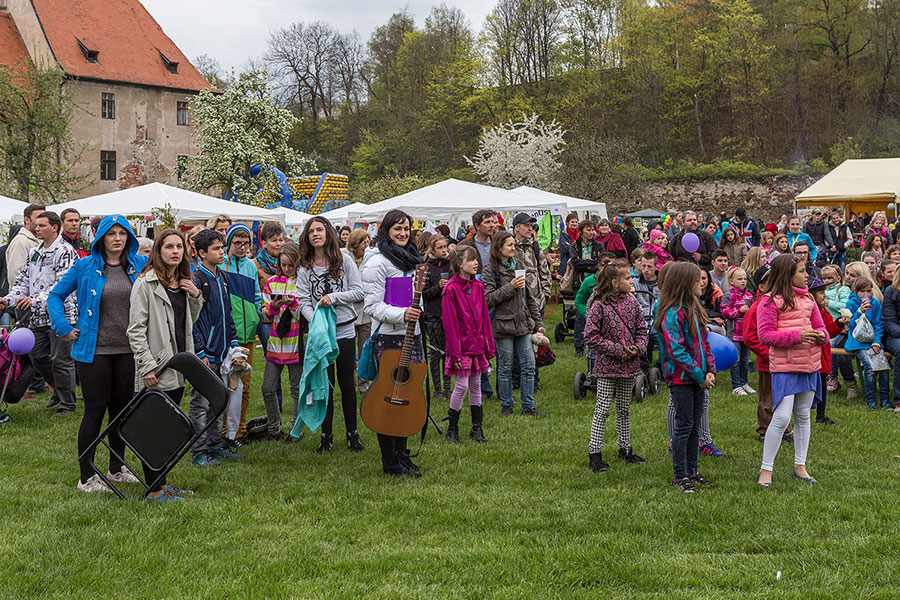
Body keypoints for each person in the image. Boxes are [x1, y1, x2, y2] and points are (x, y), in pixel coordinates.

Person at [48, 215, 149, 494]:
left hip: (129, 350)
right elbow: (55, 295)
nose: (117, 238)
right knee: (95, 411)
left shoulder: (140, 265)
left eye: (123, 233)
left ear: (130, 237)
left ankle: (116, 469)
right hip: (94, 352)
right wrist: (63, 327)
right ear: (100, 238)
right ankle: (86, 476)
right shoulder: (84, 266)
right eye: (111, 233)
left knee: (122, 412)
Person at [126, 229, 202, 501]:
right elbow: (135, 330)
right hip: (156, 368)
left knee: (169, 427)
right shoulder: (144, 284)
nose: (175, 251)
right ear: (158, 251)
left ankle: (163, 483)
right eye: (168, 247)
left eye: (179, 247)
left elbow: (188, 322)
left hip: (179, 365)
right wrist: (147, 366)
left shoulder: (183, 282)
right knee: (153, 429)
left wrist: (195, 296)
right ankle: (154, 490)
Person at [361, 209, 426, 477]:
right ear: (386, 230)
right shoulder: (377, 262)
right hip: (388, 338)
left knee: (408, 395)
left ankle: (402, 454)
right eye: (397, 228)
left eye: (406, 229)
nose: (402, 233)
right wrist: (402, 314)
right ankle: (389, 461)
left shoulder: (411, 259)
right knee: (388, 399)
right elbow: (372, 305)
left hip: (413, 335)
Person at [756, 254, 827, 487]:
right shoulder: (769, 302)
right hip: (785, 367)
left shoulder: (809, 299)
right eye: (802, 271)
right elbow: (765, 336)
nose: (807, 275)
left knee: (803, 414)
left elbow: (822, 330)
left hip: (809, 364)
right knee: (782, 416)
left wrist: (820, 337)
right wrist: (798, 336)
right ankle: (766, 469)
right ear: (787, 275)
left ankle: (800, 466)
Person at [297, 216, 365, 452]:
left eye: (320, 229)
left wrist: (333, 298)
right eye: (311, 231)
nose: (316, 234)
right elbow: (303, 300)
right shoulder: (305, 266)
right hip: (320, 334)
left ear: (328, 232)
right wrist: (314, 320)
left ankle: (352, 434)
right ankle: (326, 436)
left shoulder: (344, 260)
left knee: (347, 383)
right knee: (324, 385)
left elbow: (358, 291)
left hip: (344, 330)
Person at [0, 211, 78, 415]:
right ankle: (59, 391)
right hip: (37, 316)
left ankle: (67, 404)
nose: (37, 228)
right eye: (36, 225)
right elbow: (23, 282)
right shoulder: (35, 250)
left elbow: (62, 284)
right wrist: (8, 300)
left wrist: (35, 300)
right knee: (37, 357)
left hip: (61, 315)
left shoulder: (66, 251)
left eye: (42, 225)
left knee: (61, 360)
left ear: (55, 227)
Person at [656, 261, 716, 493]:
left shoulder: (694, 309)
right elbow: (676, 351)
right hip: (682, 379)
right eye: (696, 280)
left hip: (698, 377)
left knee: (693, 427)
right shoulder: (672, 314)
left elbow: (705, 344)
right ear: (684, 283)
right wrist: (700, 375)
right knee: (683, 426)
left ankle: (693, 471)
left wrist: (709, 369)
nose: (702, 283)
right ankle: (680, 475)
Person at [584, 262, 648, 472]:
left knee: (624, 408)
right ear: (614, 282)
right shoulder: (598, 304)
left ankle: (625, 448)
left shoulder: (632, 302)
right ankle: (595, 453)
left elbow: (641, 328)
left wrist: (637, 348)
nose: (631, 281)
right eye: (627, 278)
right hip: (607, 366)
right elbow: (591, 336)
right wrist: (618, 350)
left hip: (630, 365)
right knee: (602, 409)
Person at [190, 229, 241, 467]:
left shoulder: (222, 277)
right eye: (216, 249)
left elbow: (227, 313)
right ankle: (199, 451)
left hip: (222, 351)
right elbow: (193, 321)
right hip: (205, 354)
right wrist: (200, 352)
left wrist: (233, 342)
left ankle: (215, 445)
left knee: (218, 400)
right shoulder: (197, 280)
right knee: (200, 403)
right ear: (201, 253)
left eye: (222, 248)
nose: (222, 252)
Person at [484, 230, 545, 417]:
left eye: (513, 245)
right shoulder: (490, 271)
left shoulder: (518, 265)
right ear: (499, 248)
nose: (513, 248)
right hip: (503, 325)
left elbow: (529, 297)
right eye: (510, 245)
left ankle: (528, 406)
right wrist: (511, 287)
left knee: (528, 365)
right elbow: (488, 299)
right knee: (505, 367)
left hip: (522, 323)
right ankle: (507, 405)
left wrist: (538, 322)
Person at [441, 245, 495, 444]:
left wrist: (488, 345)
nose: (476, 263)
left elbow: (484, 319)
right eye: (471, 260)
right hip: (461, 347)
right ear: (458, 264)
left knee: (475, 385)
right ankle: (452, 428)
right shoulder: (451, 290)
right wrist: (455, 354)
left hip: (477, 344)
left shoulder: (478, 287)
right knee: (462, 385)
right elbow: (450, 324)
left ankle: (476, 428)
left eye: (476, 259)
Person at [221, 223, 262, 444]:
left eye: (246, 243)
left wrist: (257, 313)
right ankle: (222, 430)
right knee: (227, 383)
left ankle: (240, 430)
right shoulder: (222, 265)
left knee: (244, 385)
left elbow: (256, 294)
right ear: (229, 243)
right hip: (228, 334)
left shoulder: (251, 267)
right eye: (237, 242)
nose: (242, 247)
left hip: (248, 334)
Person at [260, 241, 303, 441]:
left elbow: (304, 316)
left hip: (296, 343)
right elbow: (266, 315)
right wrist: (275, 306)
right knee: (267, 388)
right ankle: (273, 428)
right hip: (275, 343)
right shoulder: (271, 283)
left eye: (290, 265)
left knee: (296, 389)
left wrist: (293, 304)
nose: (286, 269)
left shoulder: (303, 282)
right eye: (283, 265)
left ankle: (296, 430)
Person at [845, 277, 890, 410]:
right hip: (857, 342)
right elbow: (852, 326)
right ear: (856, 291)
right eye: (862, 291)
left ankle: (884, 399)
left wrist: (876, 342)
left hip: (873, 342)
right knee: (869, 367)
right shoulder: (851, 304)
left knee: (883, 367)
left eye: (869, 291)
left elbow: (879, 324)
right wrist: (860, 312)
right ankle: (870, 400)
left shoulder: (875, 303)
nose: (866, 295)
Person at [809, 275, 845, 425]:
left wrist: (838, 323)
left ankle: (820, 415)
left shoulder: (824, 311)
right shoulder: (809, 311)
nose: (825, 295)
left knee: (822, 384)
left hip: (823, 354)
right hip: (811, 354)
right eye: (821, 292)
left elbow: (829, 331)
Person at [422, 235, 452, 399]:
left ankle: (447, 387)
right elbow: (423, 294)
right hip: (433, 314)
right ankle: (437, 389)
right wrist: (437, 287)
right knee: (436, 351)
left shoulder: (450, 265)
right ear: (432, 250)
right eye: (440, 248)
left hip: (449, 313)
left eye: (445, 247)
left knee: (448, 351)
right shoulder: (426, 268)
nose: (443, 250)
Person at [569, 219, 605, 357]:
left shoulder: (599, 245)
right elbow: (575, 263)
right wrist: (591, 263)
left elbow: (600, 263)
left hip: (597, 282)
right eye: (588, 230)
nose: (591, 232)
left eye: (592, 230)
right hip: (580, 282)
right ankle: (579, 346)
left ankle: (597, 343)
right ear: (581, 231)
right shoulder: (575, 246)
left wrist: (589, 264)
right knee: (580, 315)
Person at [721, 266, 754, 396]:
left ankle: (744, 382)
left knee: (745, 359)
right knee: (736, 359)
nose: (743, 281)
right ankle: (736, 385)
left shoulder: (748, 295)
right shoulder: (729, 295)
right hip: (734, 333)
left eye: (745, 279)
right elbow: (724, 312)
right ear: (731, 280)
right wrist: (738, 311)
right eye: (739, 279)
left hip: (746, 333)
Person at [6, 203, 45, 291]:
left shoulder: (40, 240)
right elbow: (16, 275)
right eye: (38, 218)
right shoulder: (21, 242)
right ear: (27, 220)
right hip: (24, 300)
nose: (42, 221)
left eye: (44, 218)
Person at [457, 209, 497, 274]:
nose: (492, 225)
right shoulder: (464, 245)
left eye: (493, 222)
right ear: (477, 226)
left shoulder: (497, 243)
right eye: (487, 222)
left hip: (495, 283)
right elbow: (455, 269)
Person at [697, 269, 725, 335]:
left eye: (704, 278)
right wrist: (711, 318)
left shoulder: (716, 291)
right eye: (698, 279)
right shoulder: (690, 293)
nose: (701, 282)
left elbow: (722, 313)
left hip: (714, 324)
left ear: (708, 279)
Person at [558, 212, 579, 277]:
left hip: (577, 264)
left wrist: (570, 245)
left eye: (576, 222)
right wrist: (575, 247)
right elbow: (565, 249)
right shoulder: (563, 234)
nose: (574, 224)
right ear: (567, 222)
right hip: (566, 264)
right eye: (572, 222)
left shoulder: (579, 234)